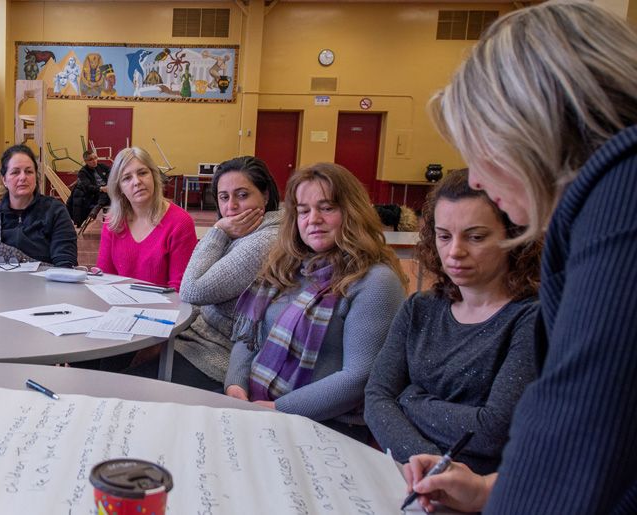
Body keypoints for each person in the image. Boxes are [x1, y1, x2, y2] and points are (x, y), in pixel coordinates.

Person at [402, 1, 637, 513]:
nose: (479, 179)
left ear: (532, 127)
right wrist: (491, 490)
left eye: (482, 151)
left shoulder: (623, 196)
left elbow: (576, 430)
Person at [364, 169, 540, 475]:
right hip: (403, 474)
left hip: (479, 489)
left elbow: (493, 431)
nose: (455, 252)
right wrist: (432, 465)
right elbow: (376, 399)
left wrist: (409, 399)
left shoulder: (530, 318)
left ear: (513, 236)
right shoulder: (419, 308)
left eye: (476, 237)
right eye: (444, 236)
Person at [224, 163, 408, 441]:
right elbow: (249, 336)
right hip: (257, 409)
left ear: (352, 211)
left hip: (327, 425)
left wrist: (278, 408)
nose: (313, 219)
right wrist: (235, 386)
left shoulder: (375, 281)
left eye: (327, 208)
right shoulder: (287, 265)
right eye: (303, 210)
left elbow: (358, 377)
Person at [124, 156, 282, 389]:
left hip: (213, 356)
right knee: (105, 363)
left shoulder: (266, 240)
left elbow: (192, 290)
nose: (231, 207)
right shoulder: (243, 232)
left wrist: (217, 230)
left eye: (242, 195)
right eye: (224, 197)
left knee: (125, 386)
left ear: (265, 195)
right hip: (189, 337)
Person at [96, 146, 197, 291]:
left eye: (142, 173)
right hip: (120, 308)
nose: (137, 182)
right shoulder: (112, 222)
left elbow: (179, 288)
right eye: (127, 178)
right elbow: (104, 279)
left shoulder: (180, 222)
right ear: (119, 189)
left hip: (165, 310)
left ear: (154, 176)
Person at [0, 144, 77, 267]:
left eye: (29, 171)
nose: (23, 177)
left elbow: (65, 261)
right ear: (4, 180)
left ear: (36, 177)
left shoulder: (55, 212)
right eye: (15, 172)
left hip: (44, 286)